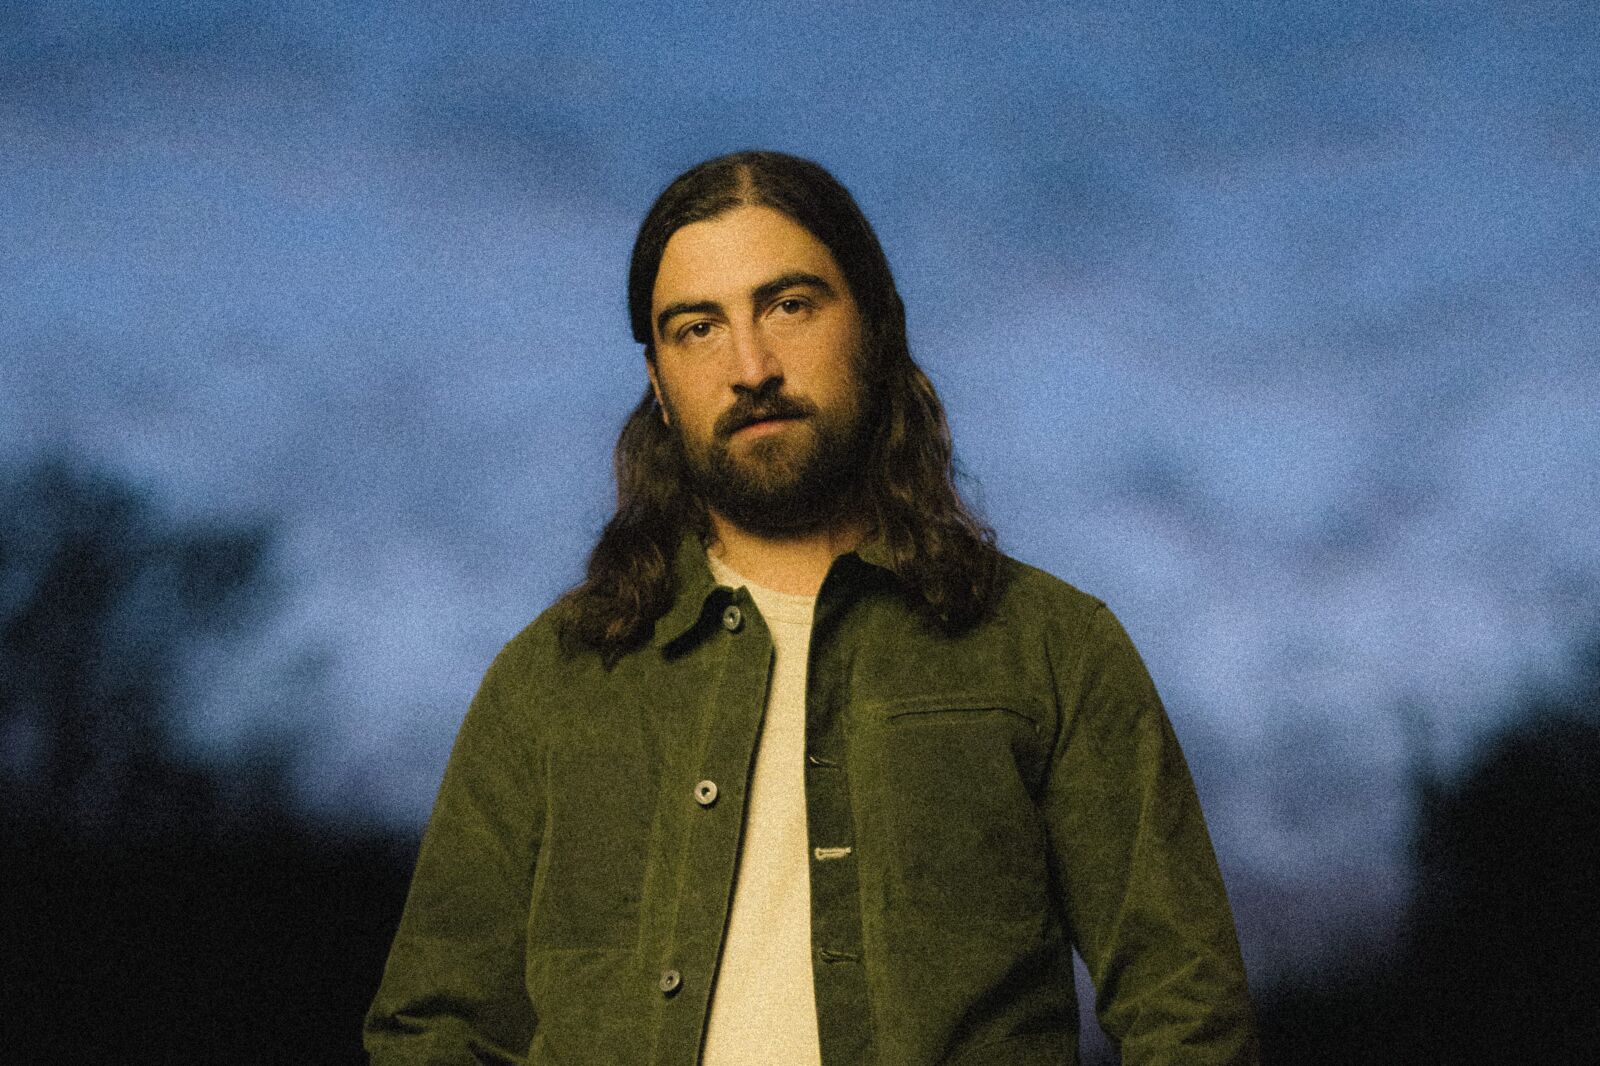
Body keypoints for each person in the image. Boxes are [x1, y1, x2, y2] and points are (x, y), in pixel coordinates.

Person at [365, 150, 1259, 1065]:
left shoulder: (1050, 650)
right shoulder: (550, 683)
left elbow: (1187, 1010)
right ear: (659, 385)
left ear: (875, 327)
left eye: (789, 306)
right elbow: (433, 1028)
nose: (750, 366)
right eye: (698, 328)